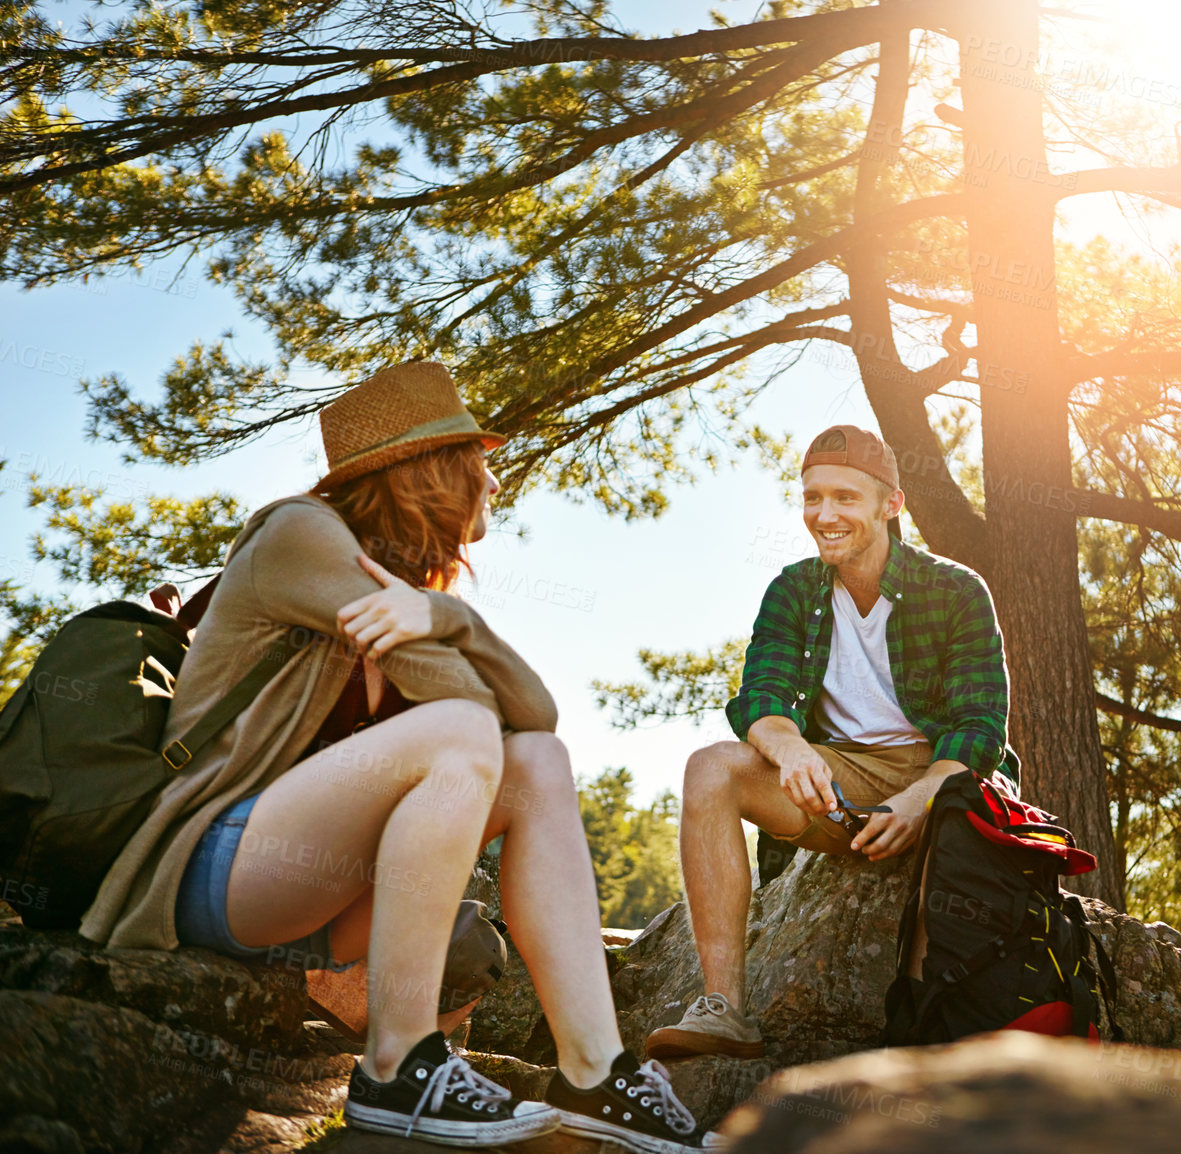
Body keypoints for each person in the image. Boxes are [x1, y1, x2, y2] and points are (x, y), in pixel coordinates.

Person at [78, 362, 707, 1151]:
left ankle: (594, 1073)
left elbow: (539, 720)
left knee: (538, 763)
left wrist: (449, 615)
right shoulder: (302, 536)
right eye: (476, 459)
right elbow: (470, 712)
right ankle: (396, 1063)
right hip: (213, 865)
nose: (493, 479)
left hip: (302, 890)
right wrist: (445, 629)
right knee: (464, 735)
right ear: (429, 469)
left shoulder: (402, 589)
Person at [647, 424, 1013, 1061]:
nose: (824, 514)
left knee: (955, 813)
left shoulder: (956, 589)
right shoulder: (793, 589)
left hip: (941, 777)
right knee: (711, 768)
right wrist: (791, 750)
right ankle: (725, 1009)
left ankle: (931, 1042)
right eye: (812, 498)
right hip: (840, 776)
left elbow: (980, 726)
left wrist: (921, 800)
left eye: (845, 498)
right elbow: (761, 699)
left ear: (890, 504)